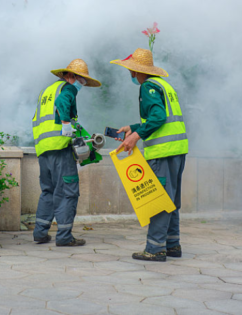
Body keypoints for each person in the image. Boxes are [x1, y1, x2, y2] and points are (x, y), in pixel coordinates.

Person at [110, 48, 188, 261]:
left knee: (159, 199)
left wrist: (136, 136)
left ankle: (155, 249)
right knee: (171, 200)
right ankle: (172, 245)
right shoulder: (164, 85)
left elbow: (158, 117)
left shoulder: (148, 86)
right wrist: (133, 127)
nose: (131, 75)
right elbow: (161, 118)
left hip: (163, 152)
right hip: (177, 150)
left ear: (136, 71)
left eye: (131, 71)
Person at [32, 59, 101, 246]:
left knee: (48, 190)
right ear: (70, 76)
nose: (82, 85)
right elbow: (63, 103)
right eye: (82, 80)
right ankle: (64, 237)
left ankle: (40, 233)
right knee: (67, 192)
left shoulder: (46, 91)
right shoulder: (67, 89)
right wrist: (65, 123)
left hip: (43, 148)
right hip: (60, 148)